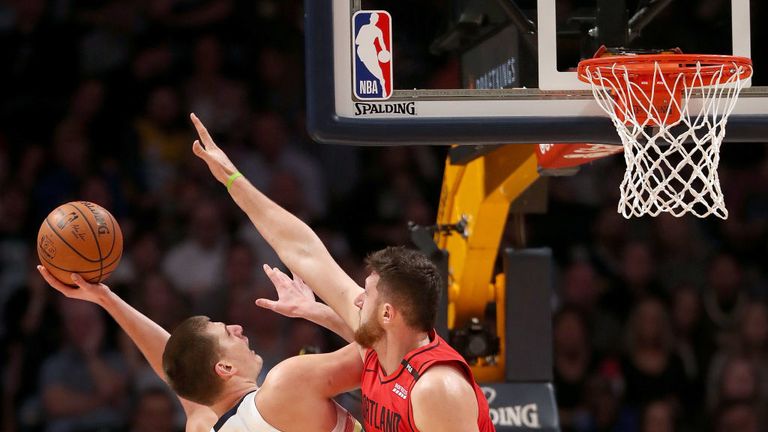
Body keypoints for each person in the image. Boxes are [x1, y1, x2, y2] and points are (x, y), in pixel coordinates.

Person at [191, 113, 493, 432]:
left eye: (368, 295)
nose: (357, 299)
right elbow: (304, 249)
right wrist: (232, 178)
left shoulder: (436, 388)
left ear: (388, 314)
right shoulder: (384, 341)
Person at [36, 266, 362, 432]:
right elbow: (385, 346)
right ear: (225, 369)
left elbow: (174, 362)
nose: (237, 328)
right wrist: (314, 311)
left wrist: (106, 298)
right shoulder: (285, 383)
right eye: (227, 334)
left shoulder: (204, 424)